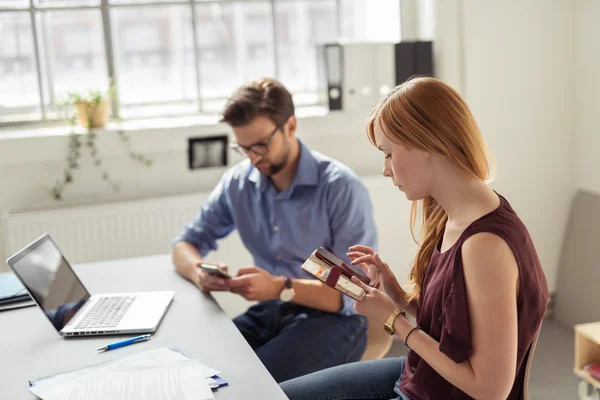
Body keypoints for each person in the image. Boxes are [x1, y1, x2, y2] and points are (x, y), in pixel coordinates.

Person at [280, 77, 550, 399]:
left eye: (389, 154)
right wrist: (398, 297)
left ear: (426, 144)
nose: (386, 169)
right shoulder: (455, 215)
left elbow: (490, 389)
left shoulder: (485, 245)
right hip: (420, 374)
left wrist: (394, 321)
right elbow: (457, 330)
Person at [171, 78, 378, 383]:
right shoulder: (238, 184)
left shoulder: (339, 188)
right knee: (195, 372)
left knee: (249, 386)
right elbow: (185, 244)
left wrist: (281, 286)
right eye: (243, 148)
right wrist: (199, 271)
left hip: (335, 321)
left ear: (290, 126)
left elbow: (353, 293)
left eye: (261, 145)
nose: (253, 158)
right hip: (274, 309)